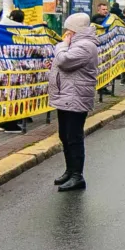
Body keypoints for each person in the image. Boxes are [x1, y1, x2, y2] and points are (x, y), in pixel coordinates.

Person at [48, 13, 98, 191]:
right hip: (66, 96)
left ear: (76, 29)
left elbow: (64, 61)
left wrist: (62, 46)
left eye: (68, 29)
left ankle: (77, 176)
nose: (66, 33)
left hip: (76, 96)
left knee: (74, 137)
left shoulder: (86, 45)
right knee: (65, 135)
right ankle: (69, 171)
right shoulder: (76, 44)